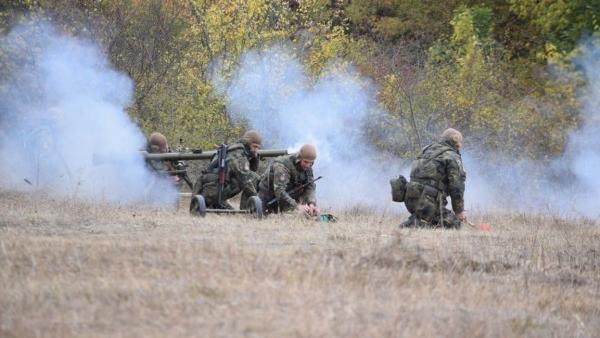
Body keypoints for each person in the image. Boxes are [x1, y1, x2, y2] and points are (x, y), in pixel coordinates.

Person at [400, 128, 467, 229]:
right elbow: (457, 187)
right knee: (454, 225)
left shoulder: (426, 149)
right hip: (428, 202)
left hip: (411, 199)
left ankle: (417, 220)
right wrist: (459, 211)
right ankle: (416, 223)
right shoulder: (452, 156)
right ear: (456, 142)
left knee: (428, 217)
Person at [192, 130, 262, 209]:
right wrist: (258, 201)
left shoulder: (241, 151)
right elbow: (245, 179)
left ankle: (216, 204)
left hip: (216, 189)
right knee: (253, 178)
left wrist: (255, 157)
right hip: (212, 190)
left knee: (231, 212)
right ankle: (246, 209)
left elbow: (252, 169)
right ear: (247, 143)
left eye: (258, 148)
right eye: (254, 146)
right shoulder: (237, 153)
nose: (256, 150)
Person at [258, 144, 320, 217]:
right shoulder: (282, 165)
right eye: (306, 162)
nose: (308, 165)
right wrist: (297, 206)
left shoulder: (308, 167)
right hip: (269, 197)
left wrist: (311, 203)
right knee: (290, 216)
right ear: (299, 158)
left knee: (310, 214)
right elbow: (279, 190)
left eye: (311, 163)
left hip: (287, 197)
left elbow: (310, 186)